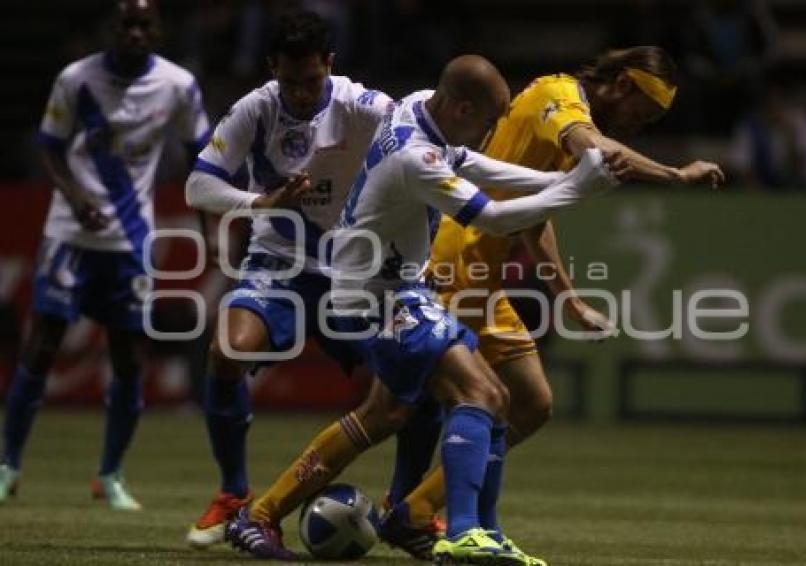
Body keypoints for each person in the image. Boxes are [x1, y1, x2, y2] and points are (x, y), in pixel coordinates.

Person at [236, 45, 725, 562]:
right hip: (388, 292)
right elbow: (491, 217)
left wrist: (565, 186)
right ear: (463, 109)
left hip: (394, 285)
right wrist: (587, 186)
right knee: (483, 394)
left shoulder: (421, 108)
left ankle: (263, 515)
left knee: (391, 412)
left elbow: (478, 163)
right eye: (490, 120)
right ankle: (463, 530)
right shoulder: (418, 156)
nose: (495, 129)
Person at [183, 9, 393, 550]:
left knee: (412, 381)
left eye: (311, 80)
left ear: (330, 64)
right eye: (289, 80)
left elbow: (417, 150)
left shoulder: (362, 106)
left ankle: (406, 506)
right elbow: (198, 187)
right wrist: (260, 201)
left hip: (355, 268)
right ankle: (233, 495)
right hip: (279, 263)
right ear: (273, 66)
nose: (300, 93)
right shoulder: (256, 108)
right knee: (227, 350)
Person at [0, 0, 210, 510]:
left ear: (159, 29)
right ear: (110, 28)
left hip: (130, 241)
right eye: (126, 24)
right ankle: (9, 465)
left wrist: (207, 224)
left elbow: (200, 155)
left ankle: (110, 474)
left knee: (128, 358)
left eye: (145, 24)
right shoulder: (77, 79)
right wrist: (74, 196)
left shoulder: (178, 86)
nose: (136, 33)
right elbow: (50, 146)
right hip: (69, 234)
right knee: (42, 347)